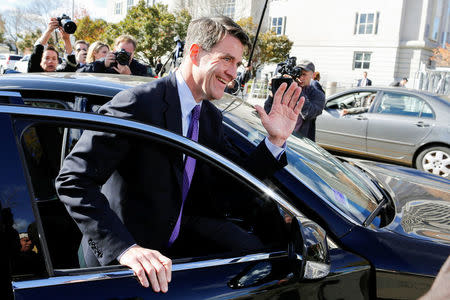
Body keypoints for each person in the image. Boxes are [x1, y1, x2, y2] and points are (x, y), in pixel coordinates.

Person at [55, 16, 304, 293]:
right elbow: (73, 180)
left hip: (175, 255)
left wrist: (275, 141)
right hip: (121, 267)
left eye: (237, 63)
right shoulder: (139, 104)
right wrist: (125, 249)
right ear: (195, 53)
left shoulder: (209, 117)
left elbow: (228, 188)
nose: (234, 73)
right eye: (226, 59)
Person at [264, 59, 325, 141]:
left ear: (313, 75)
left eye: (304, 74)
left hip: (298, 142)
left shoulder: (318, 95)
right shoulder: (288, 87)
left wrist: (296, 89)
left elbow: (308, 114)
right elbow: (268, 110)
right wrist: (273, 92)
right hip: (277, 135)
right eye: (298, 74)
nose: (300, 77)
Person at [76, 35, 147, 76]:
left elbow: (147, 89)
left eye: (129, 53)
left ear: (133, 53)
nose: (125, 55)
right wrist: (103, 65)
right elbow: (79, 74)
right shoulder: (106, 63)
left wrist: (130, 76)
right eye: (122, 51)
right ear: (114, 50)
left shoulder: (140, 68)